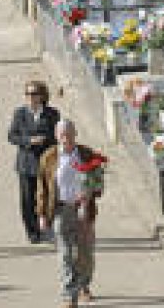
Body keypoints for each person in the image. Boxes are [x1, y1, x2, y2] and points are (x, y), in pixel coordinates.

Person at [37, 120, 105, 308]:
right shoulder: (48, 157)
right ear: (56, 136)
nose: (65, 139)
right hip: (60, 210)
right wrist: (42, 215)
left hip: (83, 210)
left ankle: (84, 285)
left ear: (75, 134)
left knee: (85, 255)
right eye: (61, 135)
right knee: (66, 254)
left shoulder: (86, 154)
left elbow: (99, 184)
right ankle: (69, 295)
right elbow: (41, 188)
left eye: (69, 134)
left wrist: (90, 191)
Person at [7, 80, 60, 244]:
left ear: (42, 95)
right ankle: (32, 230)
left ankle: (48, 226)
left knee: (49, 196)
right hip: (26, 162)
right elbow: (12, 136)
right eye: (28, 94)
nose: (31, 97)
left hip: (46, 162)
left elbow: (58, 136)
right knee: (27, 199)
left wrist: (45, 140)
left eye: (34, 93)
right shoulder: (20, 113)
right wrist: (29, 141)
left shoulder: (52, 114)